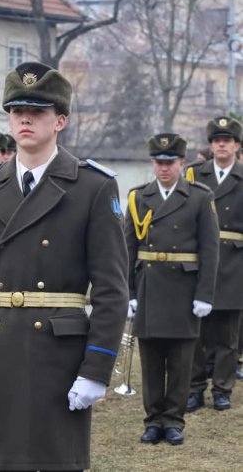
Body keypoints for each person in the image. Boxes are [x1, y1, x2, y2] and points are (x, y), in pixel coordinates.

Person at [0, 61, 129, 472]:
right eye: (16, 111)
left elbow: (111, 289)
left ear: (60, 120)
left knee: (54, 462)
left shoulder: (93, 187)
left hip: (58, 354)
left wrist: (97, 368)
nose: (25, 119)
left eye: (38, 111)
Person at [125, 133, 219, 446]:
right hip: (150, 287)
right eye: (158, 162)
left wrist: (205, 294)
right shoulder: (139, 197)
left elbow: (210, 249)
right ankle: (153, 421)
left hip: (184, 289)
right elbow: (128, 248)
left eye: (170, 162)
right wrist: (130, 292)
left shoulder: (199, 197)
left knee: (180, 363)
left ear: (182, 163)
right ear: (153, 163)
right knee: (151, 363)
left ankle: (174, 421)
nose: (164, 168)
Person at [185, 116, 243, 412]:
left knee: (228, 335)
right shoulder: (194, 174)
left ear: (236, 145)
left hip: (234, 263)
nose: (222, 145)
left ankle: (222, 388)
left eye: (227, 140)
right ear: (210, 146)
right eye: (217, 141)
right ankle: (194, 388)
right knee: (196, 332)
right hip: (200, 262)